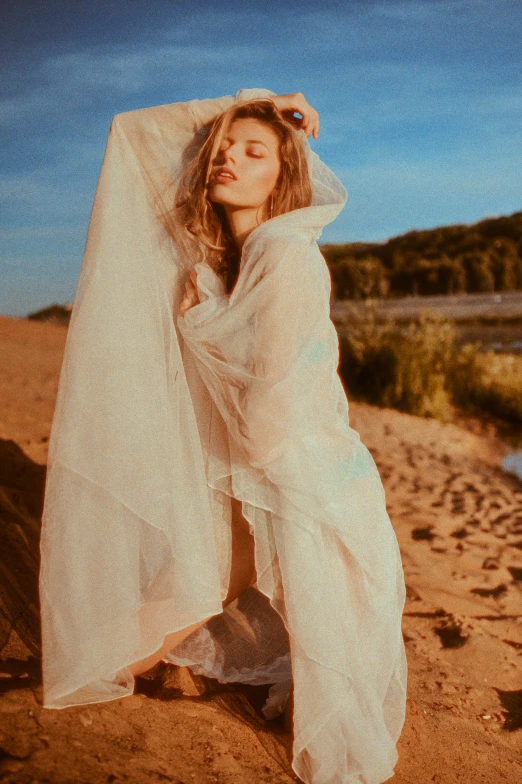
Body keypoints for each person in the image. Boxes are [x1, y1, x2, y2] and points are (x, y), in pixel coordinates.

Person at [39, 88, 407, 784]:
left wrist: (230, 482)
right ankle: (105, 661)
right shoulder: (226, 266)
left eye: (255, 151)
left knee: (204, 578)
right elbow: (129, 132)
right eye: (224, 148)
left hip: (305, 476)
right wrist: (251, 99)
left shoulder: (285, 254)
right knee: (202, 573)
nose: (229, 160)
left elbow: (271, 410)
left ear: (284, 175)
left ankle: (102, 666)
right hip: (270, 463)